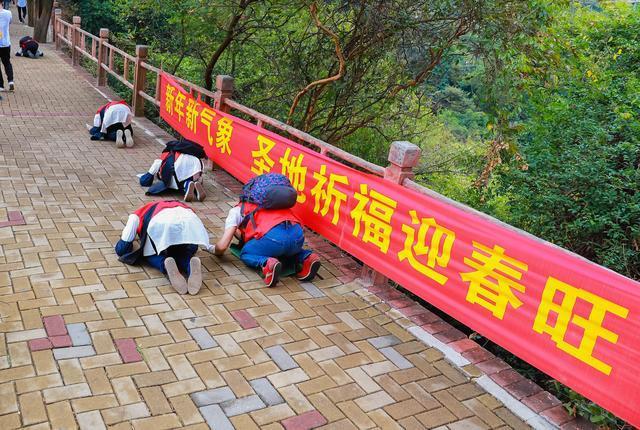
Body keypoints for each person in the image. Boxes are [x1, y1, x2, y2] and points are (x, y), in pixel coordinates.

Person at [209, 173, 321, 287]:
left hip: (272, 239)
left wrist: (212, 249)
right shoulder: (281, 205)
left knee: (246, 253)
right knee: (289, 251)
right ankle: (307, 257)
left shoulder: (237, 210)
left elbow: (222, 247)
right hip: (297, 236)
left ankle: (267, 263)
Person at [115, 200, 210, 295]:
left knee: (149, 254)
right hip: (188, 219)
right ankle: (189, 264)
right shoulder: (181, 205)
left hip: (159, 222)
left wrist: (130, 244)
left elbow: (122, 248)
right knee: (181, 252)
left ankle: (164, 263)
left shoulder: (136, 215)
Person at [139, 139, 207, 202]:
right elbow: (198, 175)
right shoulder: (193, 155)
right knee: (192, 180)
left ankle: (187, 186)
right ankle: (190, 185)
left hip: (174, 171)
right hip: (194, 170)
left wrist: (147, 177)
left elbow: (145, 180)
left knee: (175, 181)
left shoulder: (165, 155)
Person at [0, 2, 14, 92]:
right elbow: (10, 23)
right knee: (7, 63)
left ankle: (1, 85)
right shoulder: (8, 13)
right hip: (6, 43)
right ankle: (11, 81)